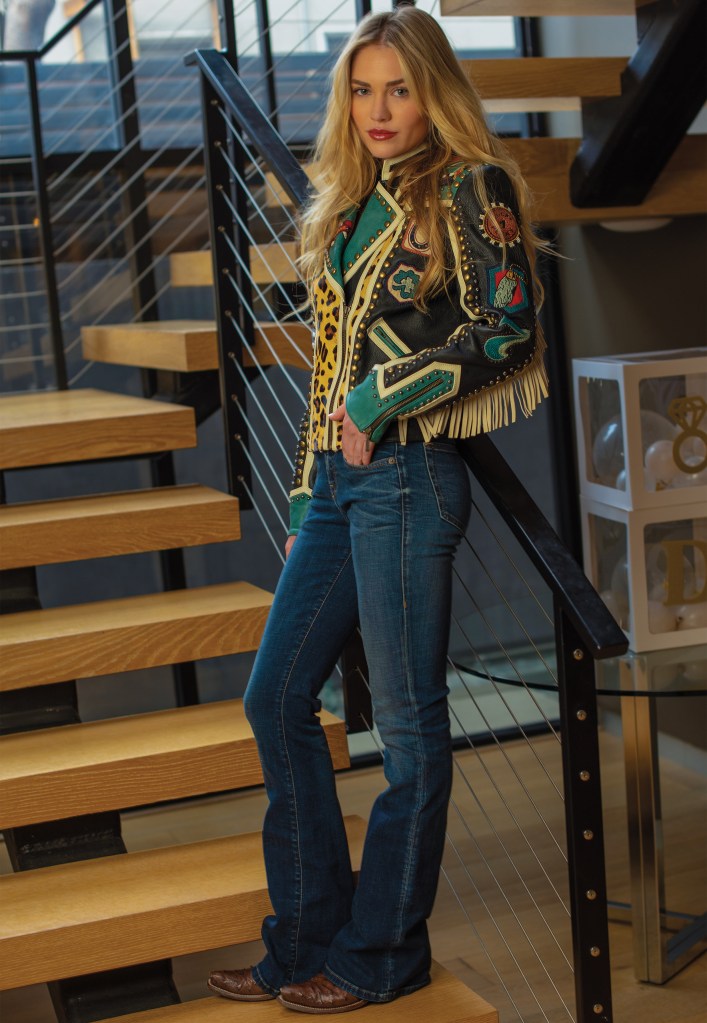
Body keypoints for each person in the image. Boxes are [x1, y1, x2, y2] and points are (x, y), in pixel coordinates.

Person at [208, 5, 549, 1014]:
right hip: (337, 488)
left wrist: (382, 395)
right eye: (361, 91)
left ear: (432, 91)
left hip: (407, 479)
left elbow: (507, 332)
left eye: (398, 89)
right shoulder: (352, 200)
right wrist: (304, 489)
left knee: (406, 731)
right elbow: (327, 360)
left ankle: (380, 955)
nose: (378, 109)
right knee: (275, 698)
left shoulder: (469, 185)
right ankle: (304, 939)